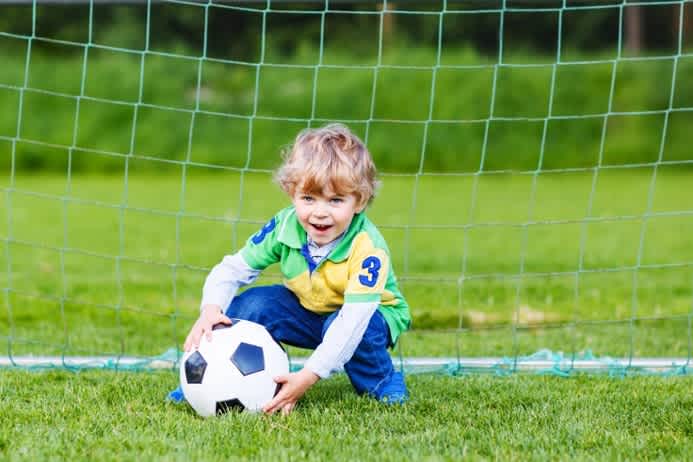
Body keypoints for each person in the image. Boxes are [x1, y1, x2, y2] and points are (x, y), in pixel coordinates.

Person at [170, 123, 411, 414]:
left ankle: (381, 381)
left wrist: (308, 376)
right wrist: (210, 309)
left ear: (359, 201)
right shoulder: (284, 226)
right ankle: (207, 382)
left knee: (352, 327)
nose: (320, 212)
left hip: (368, 317)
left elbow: (351, 322)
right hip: (310, 308)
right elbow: (231, 270)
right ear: (291, 192)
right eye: (308, 198)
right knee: (253, 305)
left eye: (335, 200)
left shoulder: (368, 248)